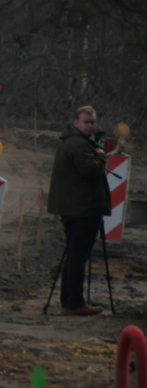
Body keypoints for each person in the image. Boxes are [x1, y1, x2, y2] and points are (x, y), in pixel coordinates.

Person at [46, 105, 111, 316]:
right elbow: (90, 170)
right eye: (86, 122)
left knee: (74, 256)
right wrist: (101, 156)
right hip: (83, 209)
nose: (90, 126)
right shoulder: (78, 144)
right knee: (78, 257)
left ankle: (69, 303)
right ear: (76, 123)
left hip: (74, 208)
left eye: (93, 122)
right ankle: (74, 304)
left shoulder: (71, 141)